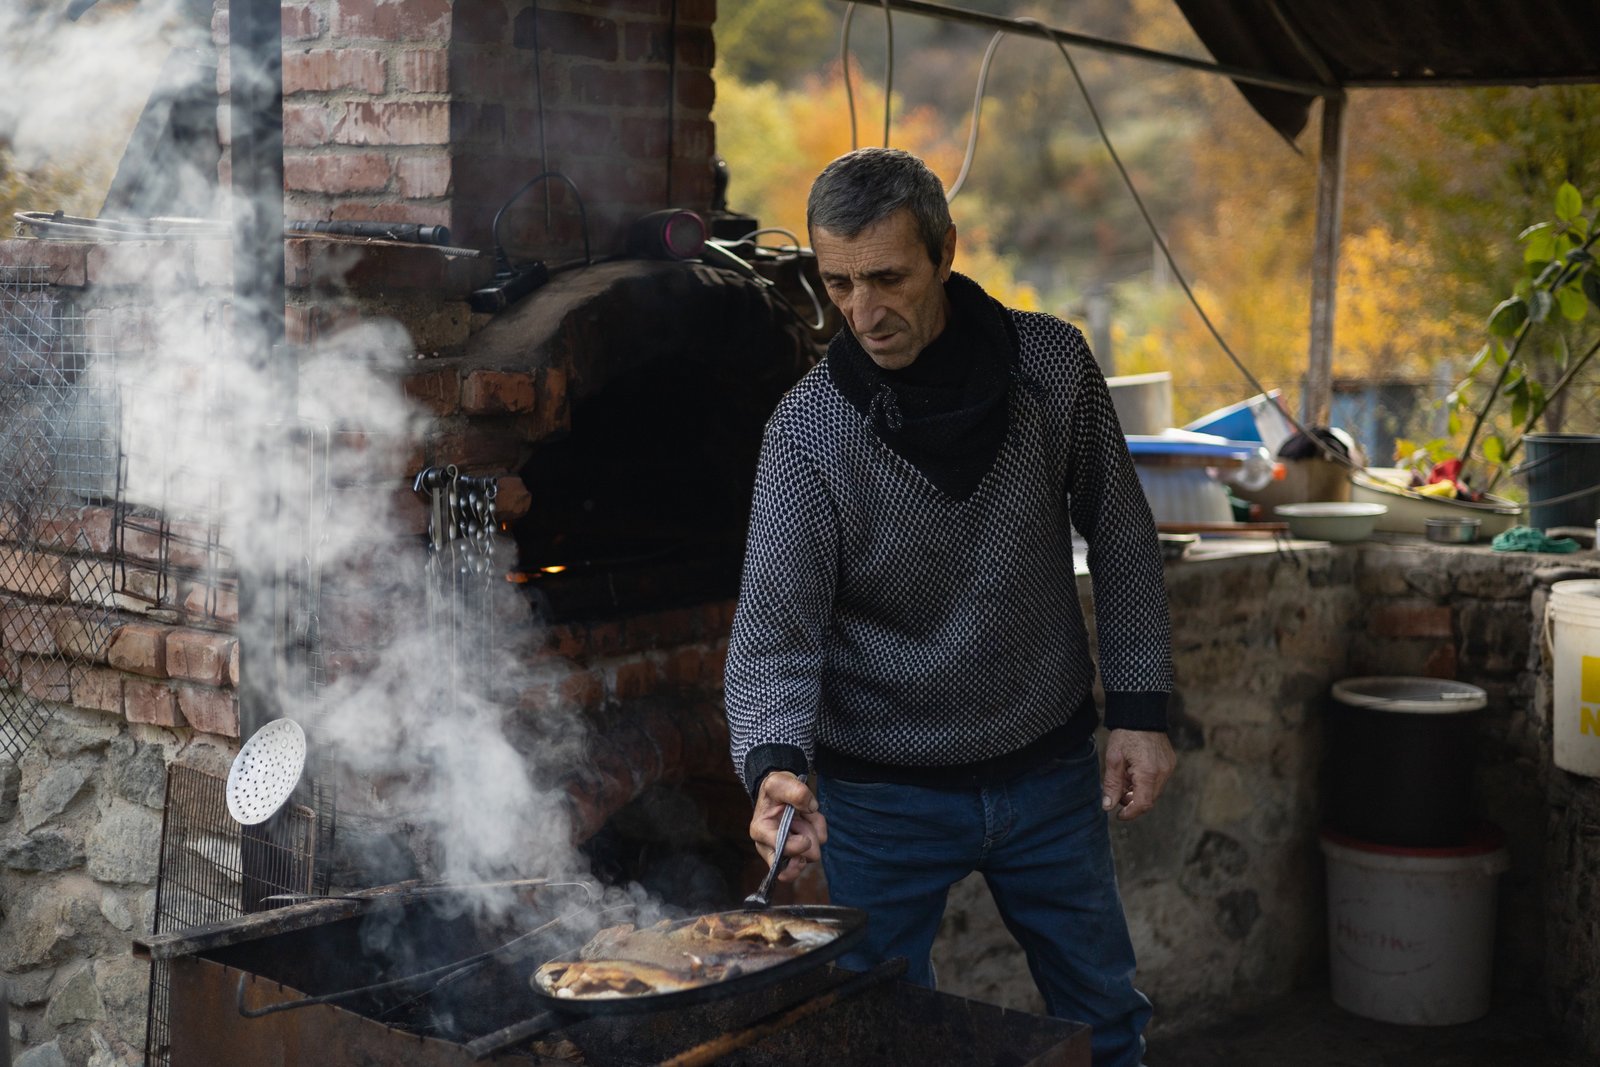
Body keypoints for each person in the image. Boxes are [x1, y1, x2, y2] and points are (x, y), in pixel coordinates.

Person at [724, 147, 1175, 1067]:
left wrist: (1140, 710)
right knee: (875, 1036)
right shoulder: (808, 431)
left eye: (886, 277)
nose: (860, 312)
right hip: (879, 795)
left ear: (944, 253)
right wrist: (774, 764)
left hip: (1048, 770)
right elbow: (777, 634)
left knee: (1107, 1021)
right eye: (837, 281)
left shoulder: (1050, 366)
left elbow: (1124, 537)